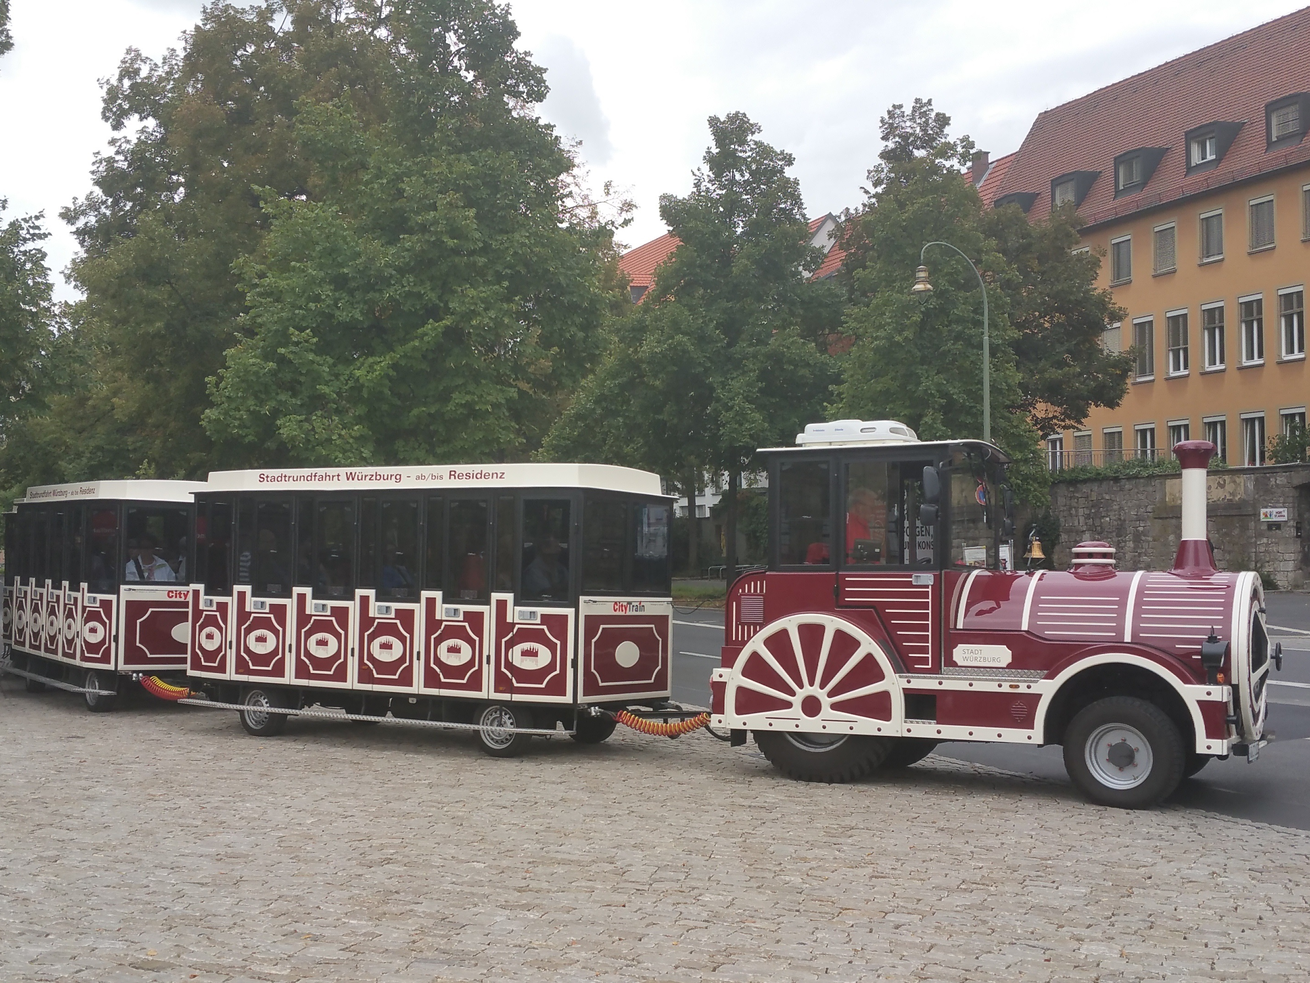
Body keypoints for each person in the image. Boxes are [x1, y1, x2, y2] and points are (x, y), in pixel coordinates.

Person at [845, 487, 886, 564]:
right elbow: (858, 559)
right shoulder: (852, 526)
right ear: (859, 507)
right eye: (872, 508)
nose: (874, 512)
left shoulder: (860, 524)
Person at [522, 535, 569, 600]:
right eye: (556, 547)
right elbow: (548, 592)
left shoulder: (560, 568)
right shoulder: (533, 571)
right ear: (544, 549)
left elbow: (570, 585)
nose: (559, 550)